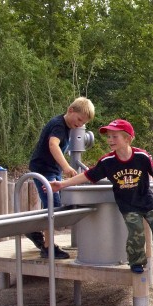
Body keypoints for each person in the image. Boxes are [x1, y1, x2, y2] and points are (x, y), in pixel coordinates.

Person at [50, 119, 153, 275]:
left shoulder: (141, 156)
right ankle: (136, 262)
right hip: (127, 204)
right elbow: (87, 175)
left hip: (146, 201)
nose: (110, 140)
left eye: (115, 137)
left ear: (128, 139)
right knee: (136, 231)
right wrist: (63, 184)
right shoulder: (108, 161)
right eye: (109, 137)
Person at [26, 96, 95, 259]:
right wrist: (66, 167)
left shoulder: (68, 126)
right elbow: (53, 145)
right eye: (78, 120)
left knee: (53, 205)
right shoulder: (58, 125)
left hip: (52, 170)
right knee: (54, 207)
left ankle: (34, 231)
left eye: (83, 123)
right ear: (70, 110)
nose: (79, 125)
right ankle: (47, 247)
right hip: (43, 170)